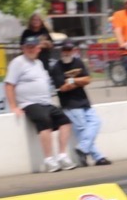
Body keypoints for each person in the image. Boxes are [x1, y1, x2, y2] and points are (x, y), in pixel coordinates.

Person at [5, 35, 75, 172]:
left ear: (38, 49)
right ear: (23, 48)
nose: (31, 50)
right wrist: (13, 106)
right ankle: (49, 160)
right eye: (28, 47)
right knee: (44, 120)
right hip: (29, 103)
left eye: (33, 47)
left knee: (65, 121)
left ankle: (62, 156)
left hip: (45, 102)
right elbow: (9, 85)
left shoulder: (39, 63)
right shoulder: (18, 62)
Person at [50, 40, 111, 166]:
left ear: (73, 50)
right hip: (70, 104)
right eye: (65, 50)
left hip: (84, 101)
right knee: (83, 129)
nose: (67, 52)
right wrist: (78, 82)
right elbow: (62, 88)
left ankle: (82, 149)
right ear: (61, 51)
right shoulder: (57, 67)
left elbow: (88, 79)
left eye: (69, 50)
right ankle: (98, 158)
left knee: (96, 122)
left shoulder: (78, 62)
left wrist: (72, 80)